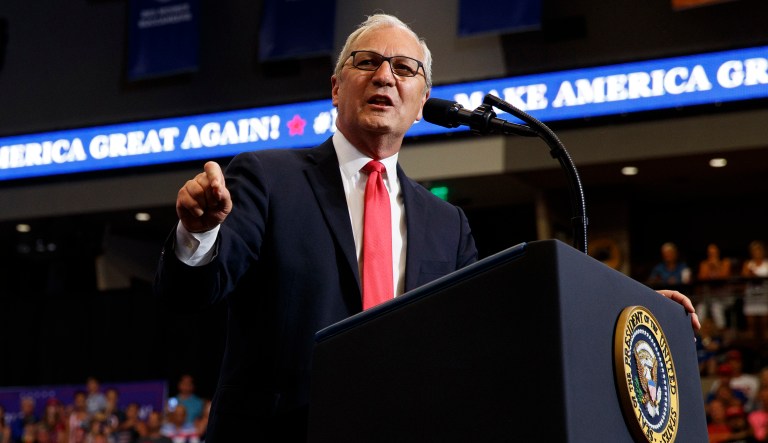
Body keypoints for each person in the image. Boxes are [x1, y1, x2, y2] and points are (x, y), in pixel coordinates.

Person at [153, 12, 701, 443]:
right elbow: (191, 290)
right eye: (367, 62)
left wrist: (622, 311)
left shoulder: (447, 225)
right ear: (336, 88)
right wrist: (197, 235)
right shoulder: (268, 178)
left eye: (405, 69)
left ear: (419, 104)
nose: (385, 76)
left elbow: (495, 337)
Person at [697, 242, 735, 328]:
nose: (712, 255)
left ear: (718, 253)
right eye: (710, 253)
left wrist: (717, 266)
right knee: (700, 308)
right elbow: (702, 277)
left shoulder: (725, 262)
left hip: (723, 297)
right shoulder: (704, 264)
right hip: (708, 297)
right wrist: (710, 267)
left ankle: (720, 334)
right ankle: (699, 336)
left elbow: (724, 276)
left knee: (716, 307)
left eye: (714, 253)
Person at [741, 240, 768, 341]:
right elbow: (743, 278)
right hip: (751, 298)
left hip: (764, 297)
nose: (757, 253)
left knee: (765, 326)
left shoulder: (766, 264)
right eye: (754, 251)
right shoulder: (748, 264)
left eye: (758, 250)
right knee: (751, 326)